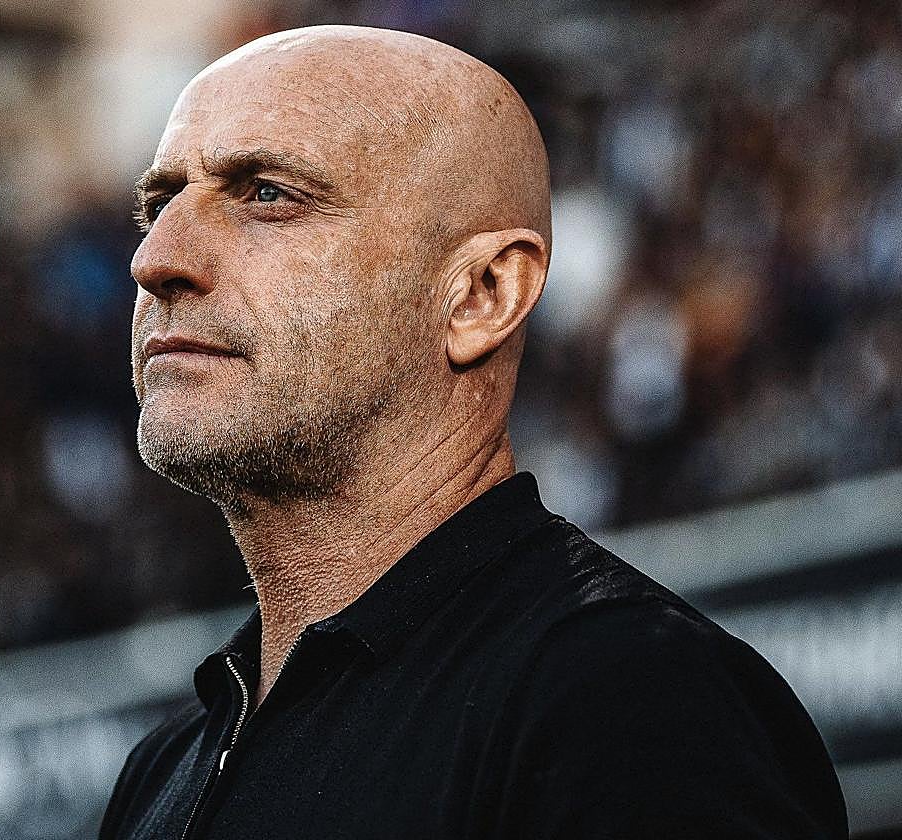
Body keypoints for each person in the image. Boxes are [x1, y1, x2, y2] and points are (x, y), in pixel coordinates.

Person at [98, 24, 847, 840]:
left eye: (267, 193)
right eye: (158, 203)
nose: (155, 258)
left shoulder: (630, 698)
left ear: (481, 295)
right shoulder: (162, 770)